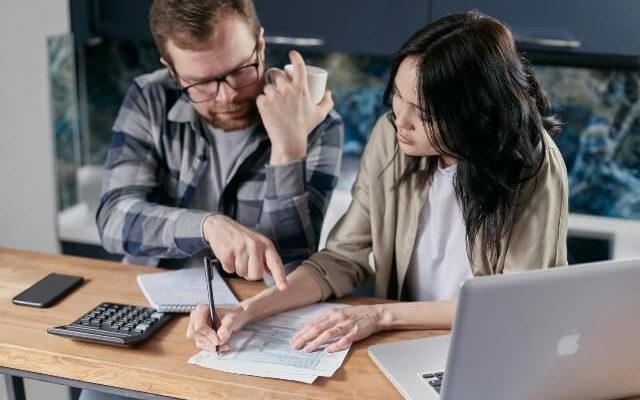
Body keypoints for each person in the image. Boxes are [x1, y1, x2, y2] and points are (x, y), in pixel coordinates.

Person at [187, 11, 569, 354]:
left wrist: (382, 316)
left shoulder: (533, 165)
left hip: (491, 348)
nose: (400, 121)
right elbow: (340, 259)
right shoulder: (390, 137)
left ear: (474, 113)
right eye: (398, 99)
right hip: (403, 346)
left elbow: (514, 303)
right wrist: (246, 310)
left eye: (423, 113)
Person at [96, 0, 344, 289]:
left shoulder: (317, 123)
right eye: (200, 83)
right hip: (153, 297)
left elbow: (290, 274)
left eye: (239, 71)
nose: (227, 97)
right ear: (172, 71)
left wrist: (287, 149)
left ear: (260, 45)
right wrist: (207, 227)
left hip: (254, 309)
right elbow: (113, 220)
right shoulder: (150, 98)